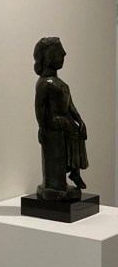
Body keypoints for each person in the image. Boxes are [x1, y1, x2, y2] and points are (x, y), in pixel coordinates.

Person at [34, 36, 88, 200]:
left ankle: (74, 170)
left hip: (66, 122)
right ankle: (57, 184)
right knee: (70, 139)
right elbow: (39, 108)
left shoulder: (60, 83)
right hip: (55, 124)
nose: (64, 54)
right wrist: (42, 128)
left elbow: (70, 105)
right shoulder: (44, 83)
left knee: (79, 135)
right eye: (59, 51)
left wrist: (80, 120)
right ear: (48, 55)